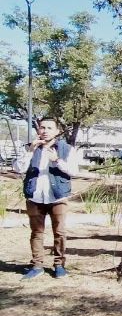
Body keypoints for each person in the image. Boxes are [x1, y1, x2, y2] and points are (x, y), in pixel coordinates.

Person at [13, 117, 79, 280]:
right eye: (42, 127)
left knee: (60, 232)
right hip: (35, 197)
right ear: (38, 130)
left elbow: (74, 171)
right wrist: (30, 151)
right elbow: (17, 168)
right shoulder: (29, 147)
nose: (45, 131)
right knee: (36, 233)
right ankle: (37, 265)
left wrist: (57, 160)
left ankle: (59, 265)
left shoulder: (67, 148)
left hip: (58, 198)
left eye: (49, 128)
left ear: (57, 131)